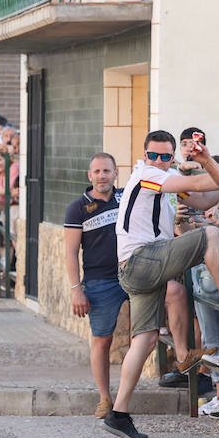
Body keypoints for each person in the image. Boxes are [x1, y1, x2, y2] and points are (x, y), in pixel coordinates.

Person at [102, 130, 219, 438]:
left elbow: (205, 198)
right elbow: (197, 183)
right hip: (142, 260)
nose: (159, 162)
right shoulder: (147, 174)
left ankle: (117, 413)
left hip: (138, 265)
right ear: (145, 155)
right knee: (211, 236)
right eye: (154, 155)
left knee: (145, 340)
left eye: (165, 157)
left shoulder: (168, 176)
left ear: (172, 157)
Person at [64, 152, 127, 418]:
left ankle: (126, 395)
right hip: (99, 281)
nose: (103, 176)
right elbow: (70, 252)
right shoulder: (77, 207)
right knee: (102, 341)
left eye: (107, 171)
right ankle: (104, 398)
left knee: (147, 333)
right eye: (97, 172)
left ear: (115, 174)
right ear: (90, 176)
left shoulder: (125, 198)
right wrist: (76, 289)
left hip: (133, 273)